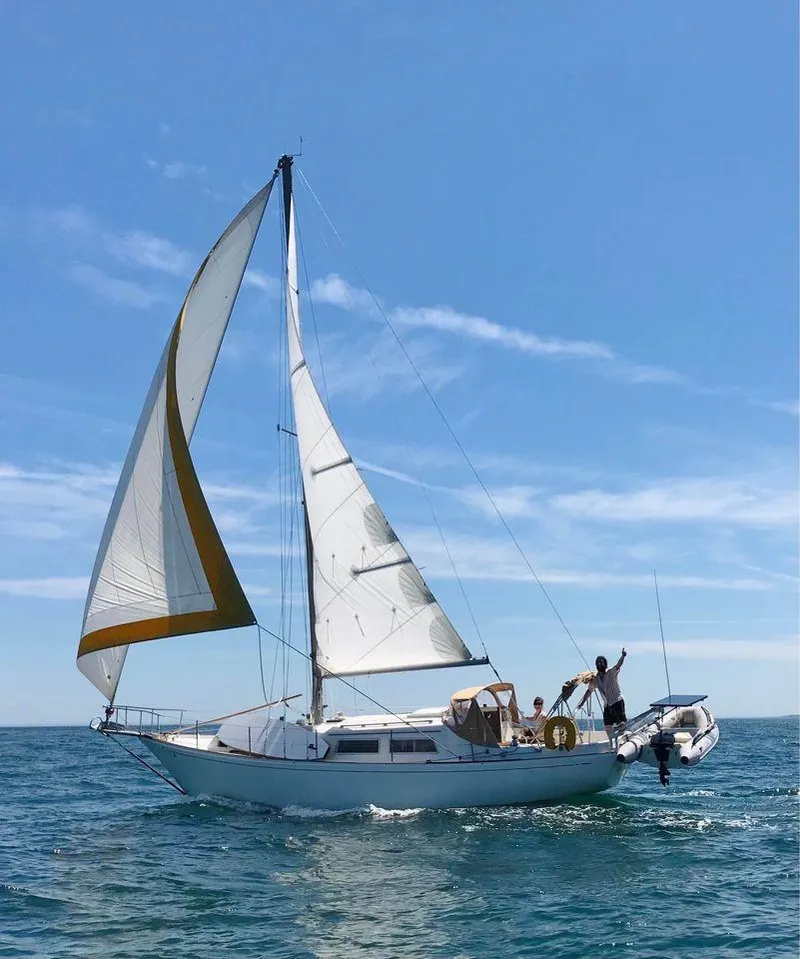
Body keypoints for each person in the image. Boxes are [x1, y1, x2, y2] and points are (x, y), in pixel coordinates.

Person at [577, 649, 627, 737]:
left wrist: (623, 656)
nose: (599, 664)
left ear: (605, 664)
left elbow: (618, 665)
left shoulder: (611, 672)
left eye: (601, 662)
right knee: (607, 725)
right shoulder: (596, 679)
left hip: (617, 702)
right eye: (598, 663)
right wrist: (582, 702)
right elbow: (589, 690)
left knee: (621, 724)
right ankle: (611, 741)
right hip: (607, 704)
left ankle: (623, 739)